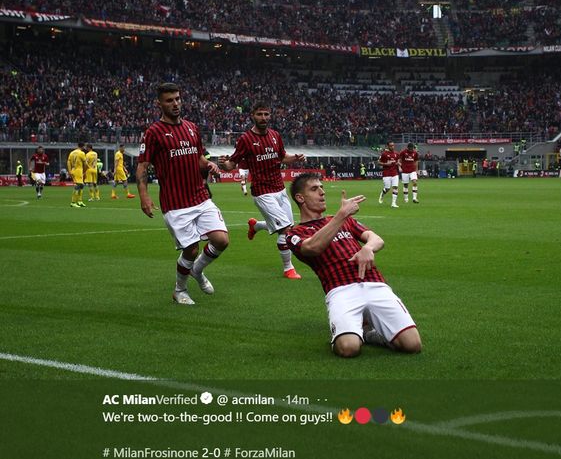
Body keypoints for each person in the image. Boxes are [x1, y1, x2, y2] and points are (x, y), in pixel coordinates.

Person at [286, 173, 421, 358]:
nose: (322, 192)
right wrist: (341, 215)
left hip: (375, 284)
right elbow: (312, 248)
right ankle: (352, 332)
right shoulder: (295, 233)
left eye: (322, 188)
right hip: (340, 290)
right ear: (300, 198)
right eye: (314, 189)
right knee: (348, 348)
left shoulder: (345, 221)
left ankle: (368, 333)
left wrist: (368, 248)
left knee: (412, 344)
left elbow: (377, 239)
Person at [136, 82, 230, 306]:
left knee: (221, 240)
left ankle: (197, 271)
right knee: (191, 249)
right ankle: (180, 290)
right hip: (175, 202)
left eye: (177, 98)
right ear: (159, 104)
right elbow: (142, 166)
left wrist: (209, 165)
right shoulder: (153, 133)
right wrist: (144, 196)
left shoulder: (191, 127)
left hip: (200, 196)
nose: (175, 104)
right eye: (169, 100)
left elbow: (198, 157)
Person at [219, 101, 305, 280]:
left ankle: (256, 225)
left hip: (279, 189)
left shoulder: (275, 135)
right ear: (253, 115)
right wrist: (223, 164)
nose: (263, 118)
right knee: (286, 230)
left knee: (287, 226)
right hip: (262, 191)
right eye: (260, 114)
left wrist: (295, 158)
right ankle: (288, 268)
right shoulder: (245, 139)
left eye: (266, 114)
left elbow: (283, 157)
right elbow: (231, 164)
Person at [378, 141, 399, 208]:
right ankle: (382, 195)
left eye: (393, 145)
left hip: (395, 173)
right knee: (387, 188)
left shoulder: (396, 154)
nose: (392, 147)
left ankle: (393, 203)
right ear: (388, 146)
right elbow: (378, 162)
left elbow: (397, 162)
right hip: (386, 173)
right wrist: (386, 164)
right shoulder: (384, 154)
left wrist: (399, 164)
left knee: (395, 187)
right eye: (391, 146)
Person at [67, 142, 87, 207]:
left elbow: (68, 162)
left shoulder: (72, 153)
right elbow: (85, 164)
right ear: (83, 146)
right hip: (78, 171)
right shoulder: (82, 153)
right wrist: (84, 172)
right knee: (77, 186)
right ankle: (73, 202)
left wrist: (70, 171)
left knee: (81, 185)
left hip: (73, 170)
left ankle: (79, 201)